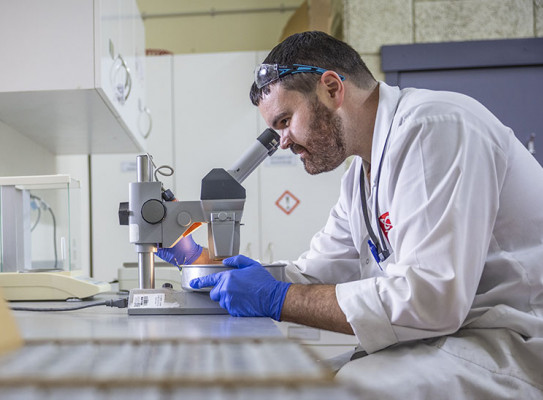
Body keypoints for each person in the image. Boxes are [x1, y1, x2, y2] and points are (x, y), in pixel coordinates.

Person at [158, 31, 543, 398]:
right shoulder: (360, 177)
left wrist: (277, 298)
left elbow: (430, 298)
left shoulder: (433, 127)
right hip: (456, 336)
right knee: (292, 380)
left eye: (285, 120)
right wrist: (202, 263)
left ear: (331, 88)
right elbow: (312, 274)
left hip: (513, 341)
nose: (284, 141)